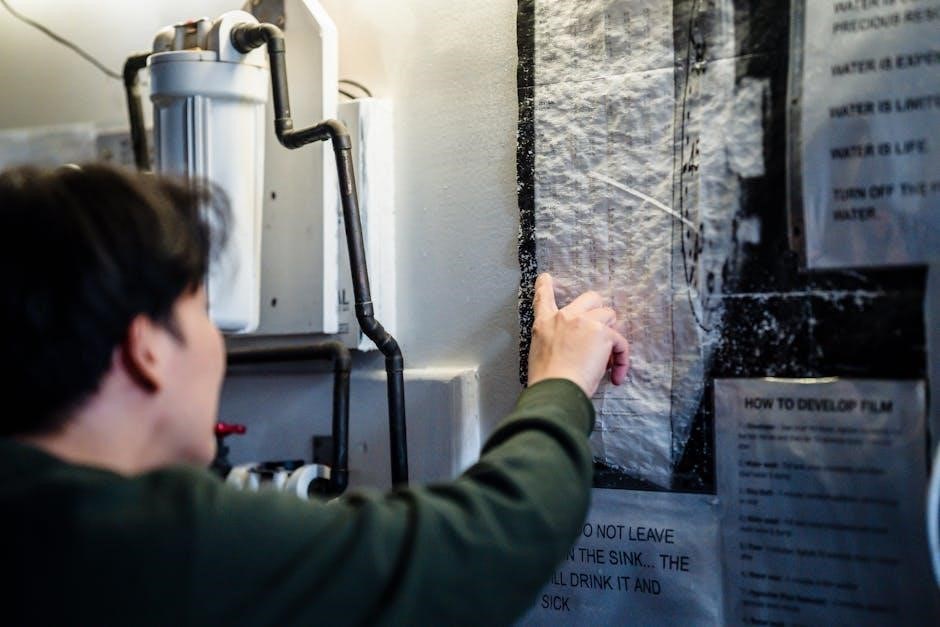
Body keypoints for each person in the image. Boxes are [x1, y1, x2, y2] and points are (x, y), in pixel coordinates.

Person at [0, 164, 629, 626]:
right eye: (203, 311)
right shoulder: (149, 542)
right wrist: (560, 384)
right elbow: (483, 552)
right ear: (148, 350)